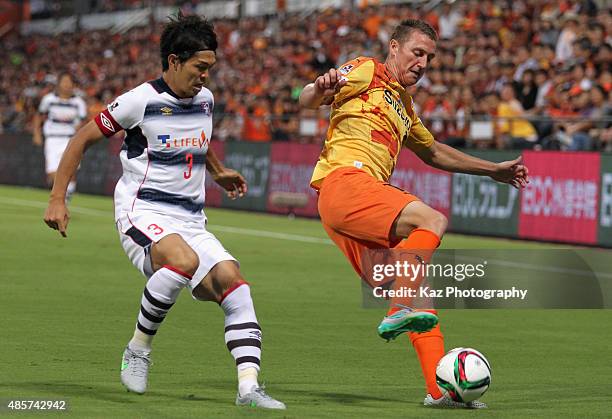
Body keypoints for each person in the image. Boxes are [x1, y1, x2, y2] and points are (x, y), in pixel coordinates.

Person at [43, 12, 285, 410]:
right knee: (183, 261)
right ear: (174, 61)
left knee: (232, 283)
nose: (206, 76)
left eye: (210, 68)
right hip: (142, 211)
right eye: (199, 67)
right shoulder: (140, 100)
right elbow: (81, 139)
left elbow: (197, 145)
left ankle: (248, 387)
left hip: (191, 218)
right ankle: (138, 350)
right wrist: (56, 198)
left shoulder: (204, 100)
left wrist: (220, 172)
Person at [299, 19, 529, 408]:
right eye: (417, 53)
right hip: (346, 182)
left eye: (430, 57)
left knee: (419, 295)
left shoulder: (404, 105)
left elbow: (434, 152)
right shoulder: (367, 70)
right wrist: (317, 87)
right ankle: (397, 307)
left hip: (346, 208)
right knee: (432, 221)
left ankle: (440, 392)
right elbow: (309, 98)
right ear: (393, 47)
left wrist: (493, 171)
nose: (423, 63)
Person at [33, 73, 87, 201]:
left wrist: (79, 130)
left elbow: (83, 121)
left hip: (70, 139)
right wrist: (36, 133)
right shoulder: (48, 99)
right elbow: (39, 115)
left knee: (71, 170)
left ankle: (64, 199)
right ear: (58, 84)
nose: (66, 85)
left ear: (73, 85)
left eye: (69, 82)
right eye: (64, 82)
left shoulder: (79, 102)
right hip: (53, 138)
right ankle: (64, 195)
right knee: (52, 172)